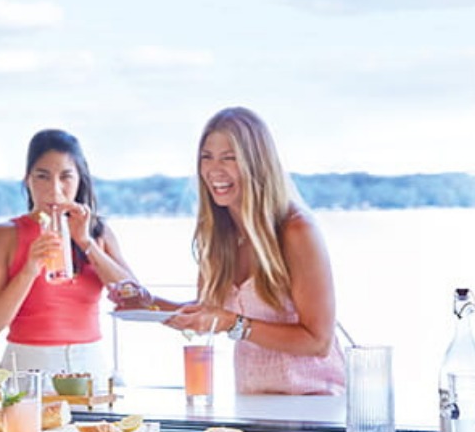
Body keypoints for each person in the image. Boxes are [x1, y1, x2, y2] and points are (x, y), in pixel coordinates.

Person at [114, 106, 345, 395]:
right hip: (254, 405)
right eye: (206, 158)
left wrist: (235, 324)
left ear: (257, 164)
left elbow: (318, 341)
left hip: (315, 404)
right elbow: (206, 315)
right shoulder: (220, 236)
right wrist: (147, 305)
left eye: (229, 158)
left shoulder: (297, 230)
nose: (214, 170)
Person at [0, 128, 135, 378]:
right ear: (28, 180)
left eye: (66, 177)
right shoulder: (5, 235)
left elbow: (134, 298)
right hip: (26, 368)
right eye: (43, 176)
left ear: (80, 179)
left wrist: (85, 242)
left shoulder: (98, 232)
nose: (55, 189)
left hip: (89, 369)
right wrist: (29, 269)